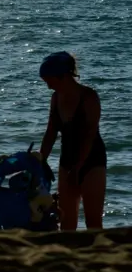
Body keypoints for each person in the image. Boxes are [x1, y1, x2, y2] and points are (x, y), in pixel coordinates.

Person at [38, 51, 106, 230]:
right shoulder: (55, 98)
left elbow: (90, 135)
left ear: (63, 77)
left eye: (49, 81)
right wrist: (40, 160)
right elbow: (51, 132)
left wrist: (78, 167)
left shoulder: (89, 97)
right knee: (66, 221)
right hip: (66, 159)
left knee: (93, 221)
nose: (48, 87)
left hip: (92, 160)